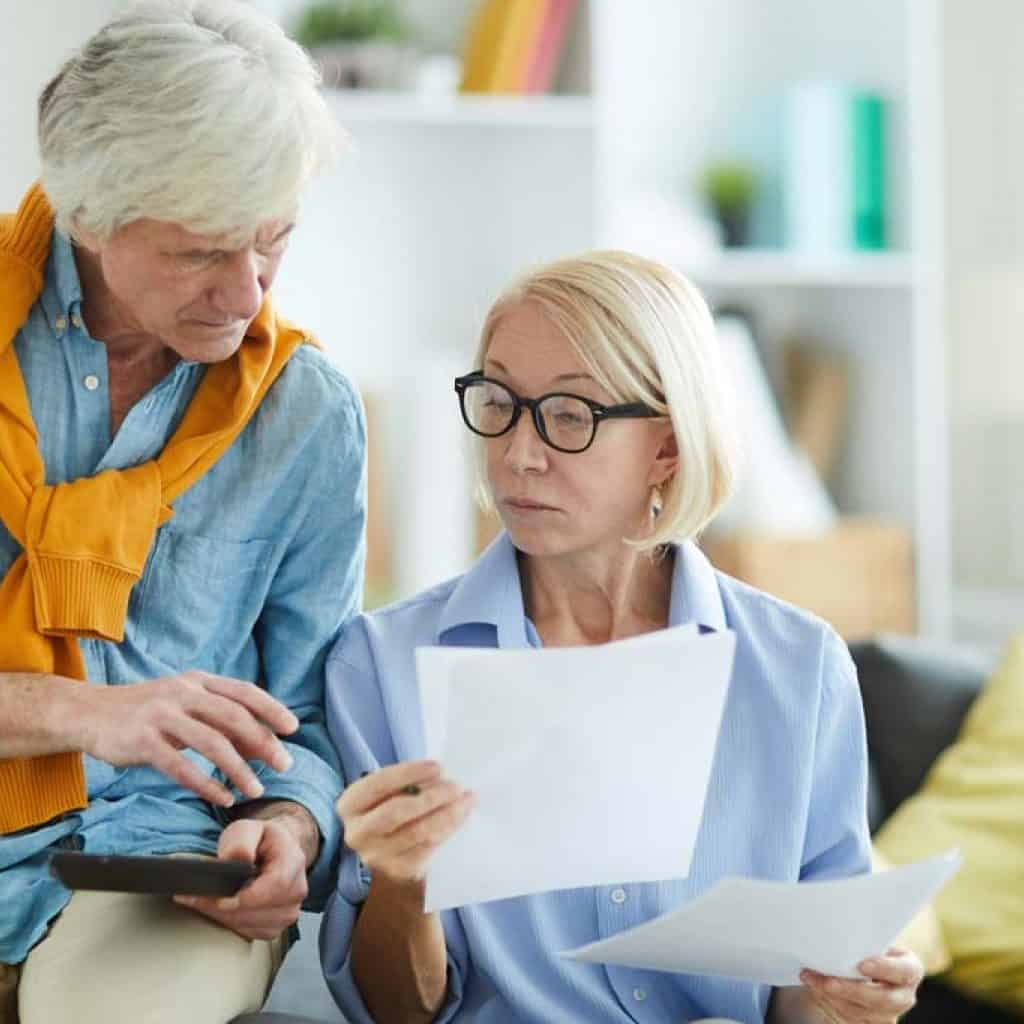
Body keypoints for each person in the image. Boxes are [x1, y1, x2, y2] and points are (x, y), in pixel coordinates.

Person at [321, 250, 923, 1024]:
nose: (518, 453)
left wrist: (851, 999)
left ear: (667, 447)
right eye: (499, 401)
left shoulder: (800, 667)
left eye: (570, 416)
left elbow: (801, 994)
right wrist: (403, 886)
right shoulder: (381, 665)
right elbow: (398, 1013)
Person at [0, 2, 366, 1022]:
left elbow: (315, 712)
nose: (246, 292)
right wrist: (80, 712)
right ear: (90, 213)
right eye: (202, 252)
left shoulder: (307, 412)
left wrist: (289, 832)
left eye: (274, 242)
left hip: (162, 860)